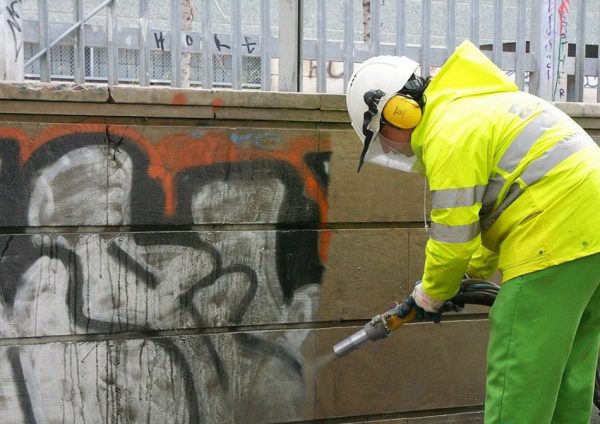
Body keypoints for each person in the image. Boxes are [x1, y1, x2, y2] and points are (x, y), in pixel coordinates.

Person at [346, 39, 600, 424]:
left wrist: (431, 294)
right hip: (586, 238)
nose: (390, 149)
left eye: (381, 135)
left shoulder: (448, 132)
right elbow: (505, 209)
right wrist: (472, 274)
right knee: (568, 379)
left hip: (554, 239)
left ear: (400, 111)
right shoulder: (477, 107)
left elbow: (452, 240)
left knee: (521, 379)